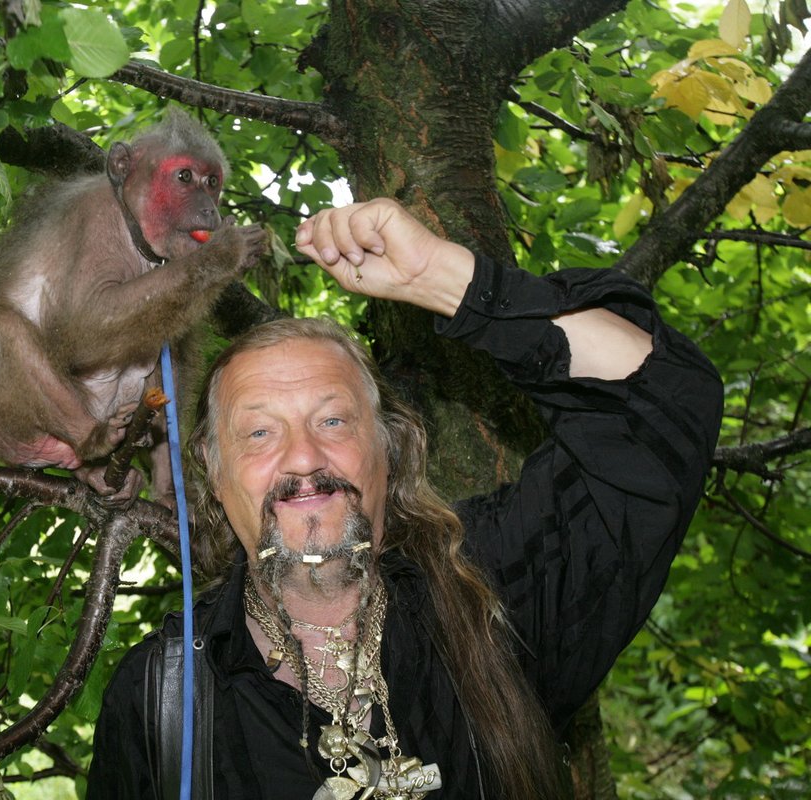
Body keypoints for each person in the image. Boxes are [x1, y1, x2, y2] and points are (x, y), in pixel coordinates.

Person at [86, 199, 724, 799]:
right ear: (213, 470)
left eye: (334, 421)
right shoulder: (158, 699)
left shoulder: (497, 592)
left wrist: (447, 282)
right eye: (259, 433)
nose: (304, 458)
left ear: (389, 450)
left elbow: (665, 398)